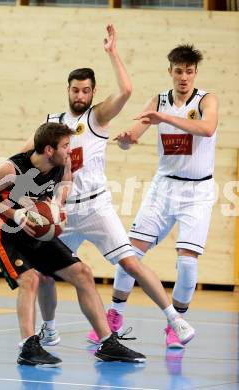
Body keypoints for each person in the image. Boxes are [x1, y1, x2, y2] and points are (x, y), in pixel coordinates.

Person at [22, 25, 195, 348]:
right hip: (62, 211)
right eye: (75, 90)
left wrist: (112, 52)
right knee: (43, 273)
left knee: (130, 262)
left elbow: (127, 91)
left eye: (85, 91)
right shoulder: (53, 122)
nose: (80, 96)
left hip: (96, 207)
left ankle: (175, 319)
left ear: (92, 92)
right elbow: (24, 152)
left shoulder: (96, 118)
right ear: (68, 90)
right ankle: (49, 328)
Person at [0, 122, 146, 367]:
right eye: (65, 146)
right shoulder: (11, 168)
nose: (70, 150)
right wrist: (17, 215)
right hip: (5, 230)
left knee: (83, 273)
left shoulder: (62, 163)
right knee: (30, 279)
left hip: (36, 230)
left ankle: (107, 342)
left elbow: (65, 184)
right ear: (48, 150)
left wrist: (57, 208)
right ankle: (28, 347)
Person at [104, 43, 218, 349]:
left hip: (198, 190)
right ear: (170, 72)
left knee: (187, 263)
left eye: (189, 72)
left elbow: (206, 129)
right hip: (164, 187)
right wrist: (127, 140)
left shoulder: (207, 100)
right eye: (178, 71)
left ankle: (176, 323)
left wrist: (165, 119)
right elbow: (136, 131)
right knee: (129, 253)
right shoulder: (158, 100)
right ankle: (114, 316)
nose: (183, 77)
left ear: (195, 73)